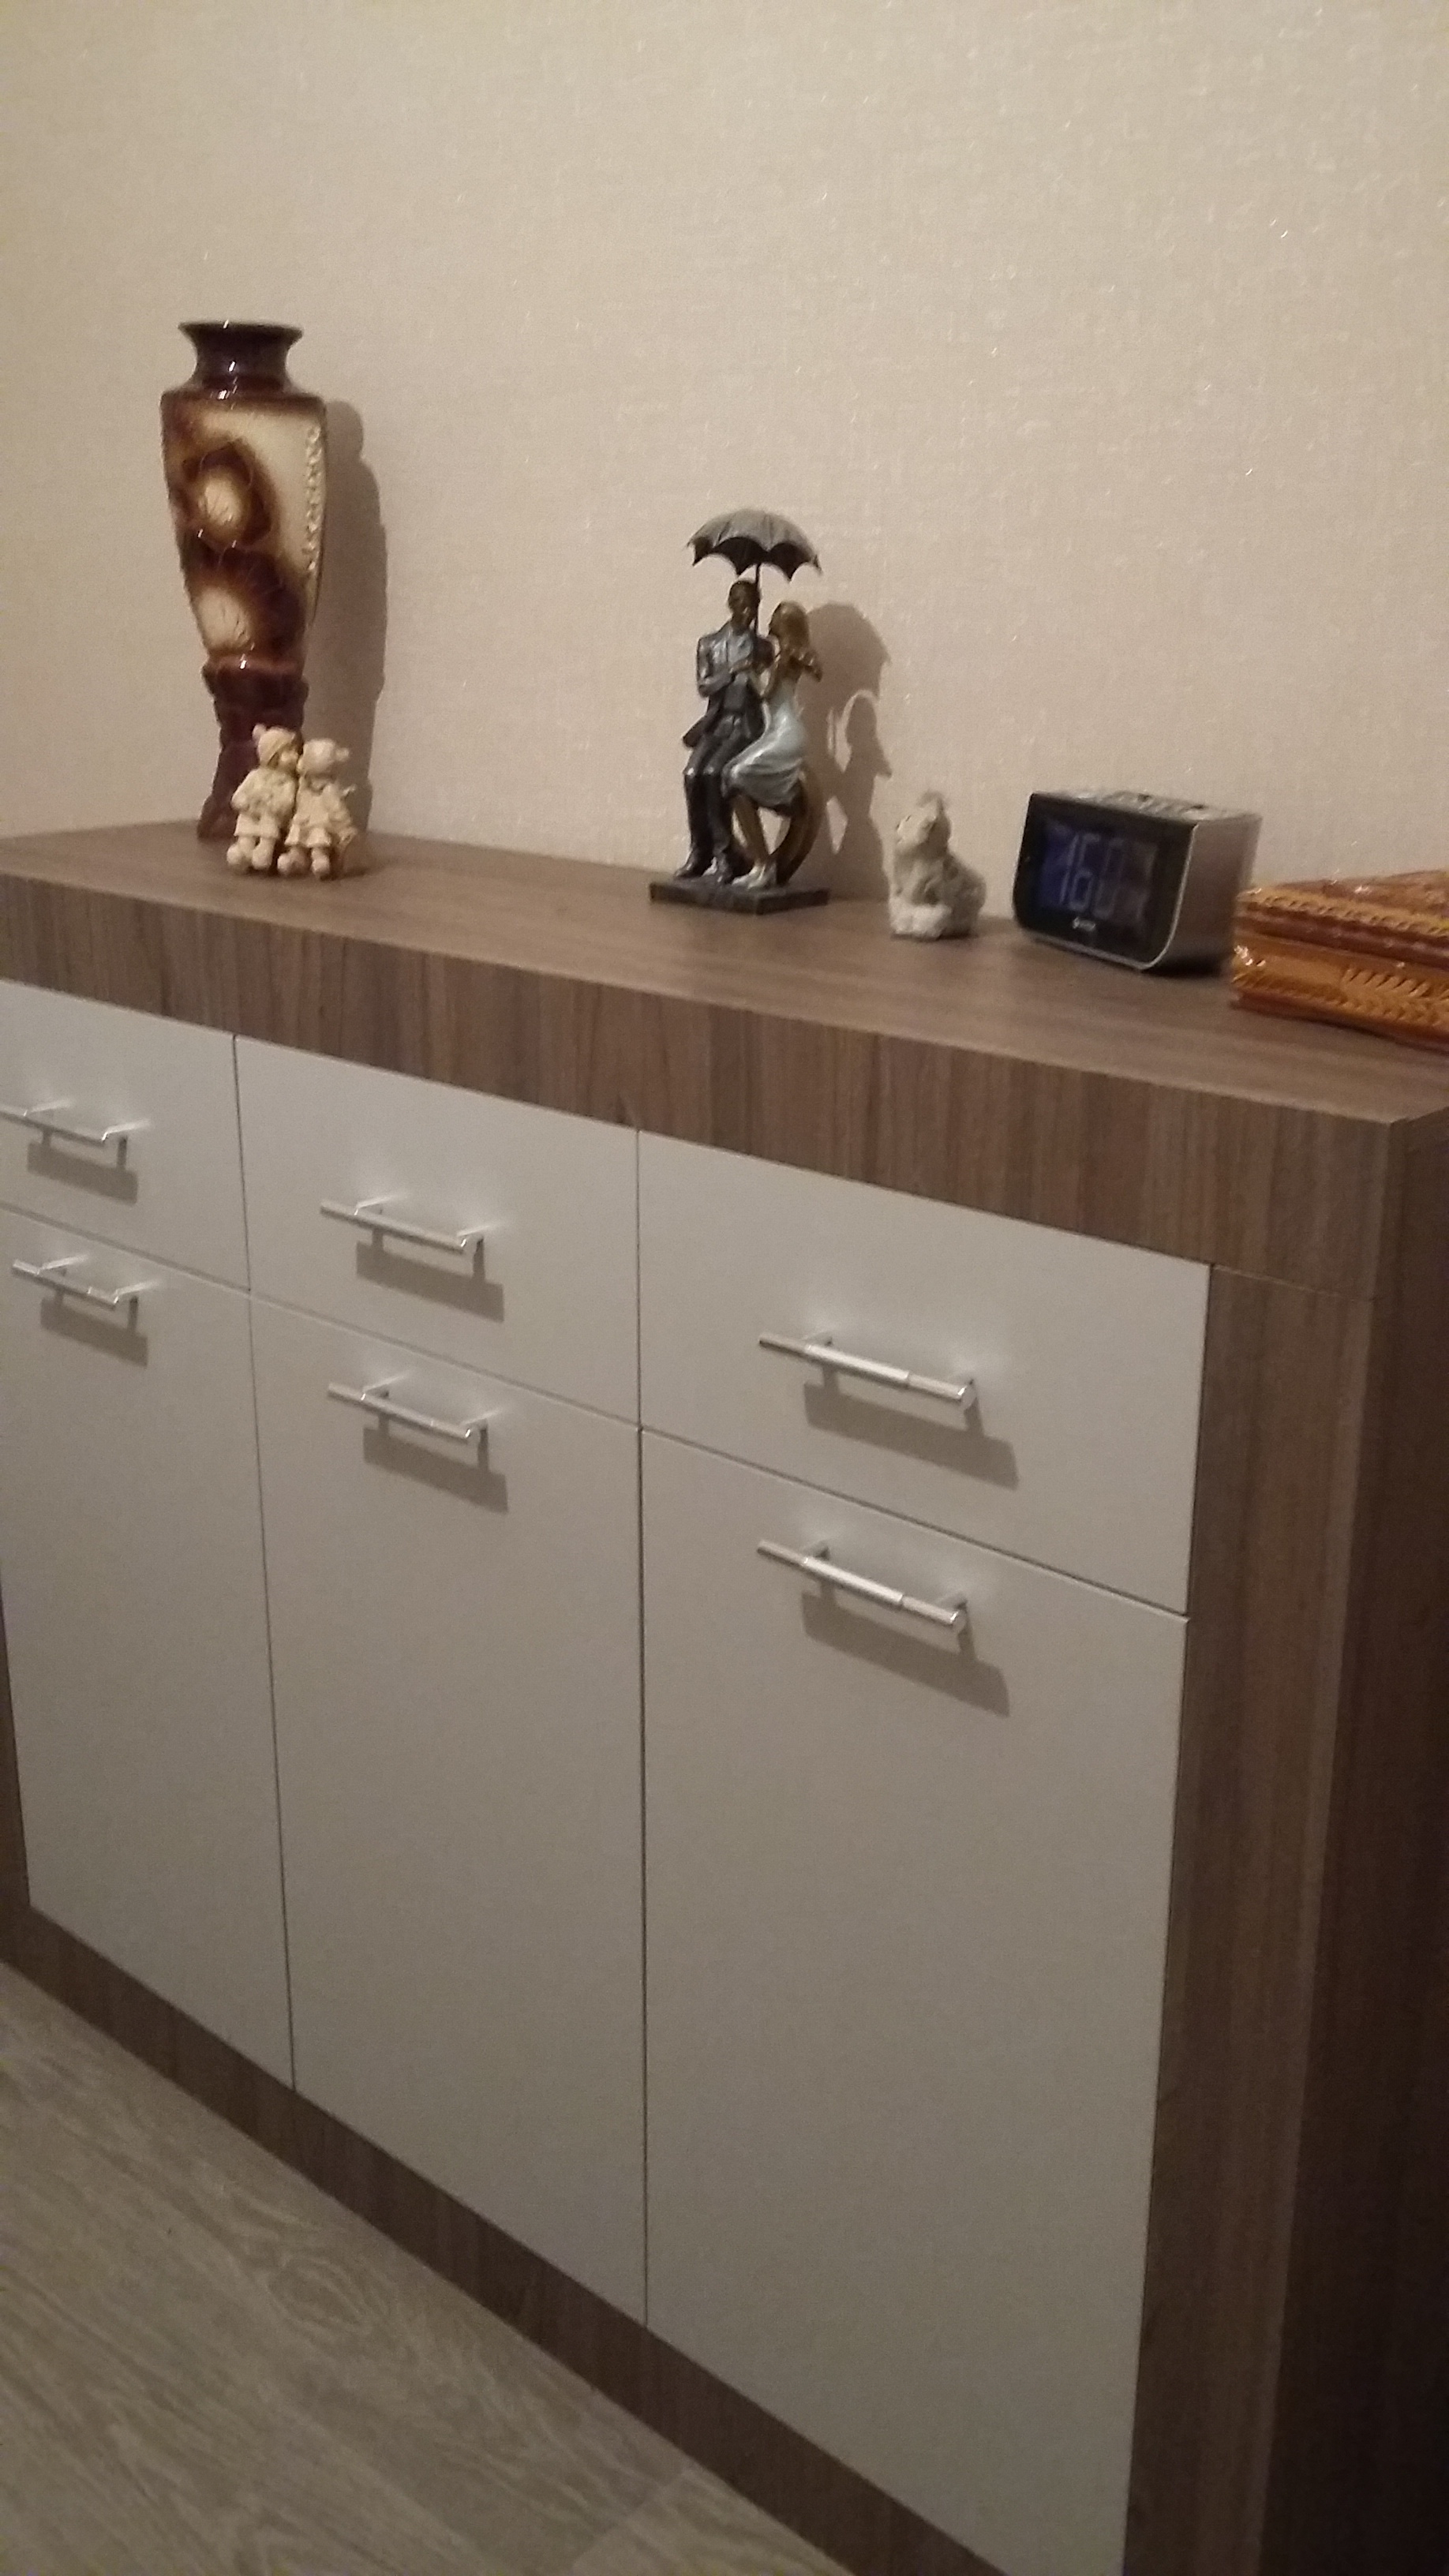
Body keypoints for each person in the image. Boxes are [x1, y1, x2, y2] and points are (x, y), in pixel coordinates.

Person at [723, 598, 823, 886]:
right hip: (779, 730)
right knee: (733, 779)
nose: (768, 620)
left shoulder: (782, 660)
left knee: (734, 775)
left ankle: (764, 864)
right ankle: (761, 863)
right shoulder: (783, 657)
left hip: (786, 733)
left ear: (784, 624)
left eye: (775, 617)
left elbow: (765, 695)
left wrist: (748, 673)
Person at [679, 578, 766, 878]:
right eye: (742, 605)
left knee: (715, 773)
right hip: (718, 723)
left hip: (745, 724)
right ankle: (699, 852)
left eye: (753, 606)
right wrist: (731, 672)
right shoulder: (709, 644)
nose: (748, 612)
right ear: (731, 605)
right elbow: (704, 686)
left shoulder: (763, 647)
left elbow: (768, 690)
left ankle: (725, 854)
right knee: (692, 774)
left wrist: (755, 669)